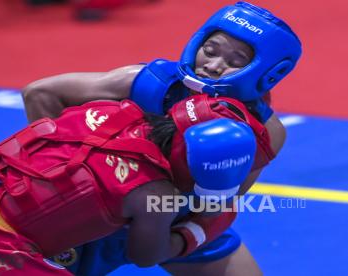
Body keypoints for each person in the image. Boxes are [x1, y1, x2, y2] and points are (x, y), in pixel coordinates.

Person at [21, 2, 302, 275]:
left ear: (267, 73)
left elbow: (220, 203)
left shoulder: (264, 132)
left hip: (173, 217)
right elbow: (40, 93)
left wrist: (180, 241)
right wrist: (67, 176)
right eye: (210, 50)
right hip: (95, 213)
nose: (213, 66)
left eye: (235, 61)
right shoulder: (151, 82)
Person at [0, 93, 271, 275]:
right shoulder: (157, 195)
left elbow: (40, 94)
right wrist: (200, 230)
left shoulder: (108, 109)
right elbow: (147, 256)